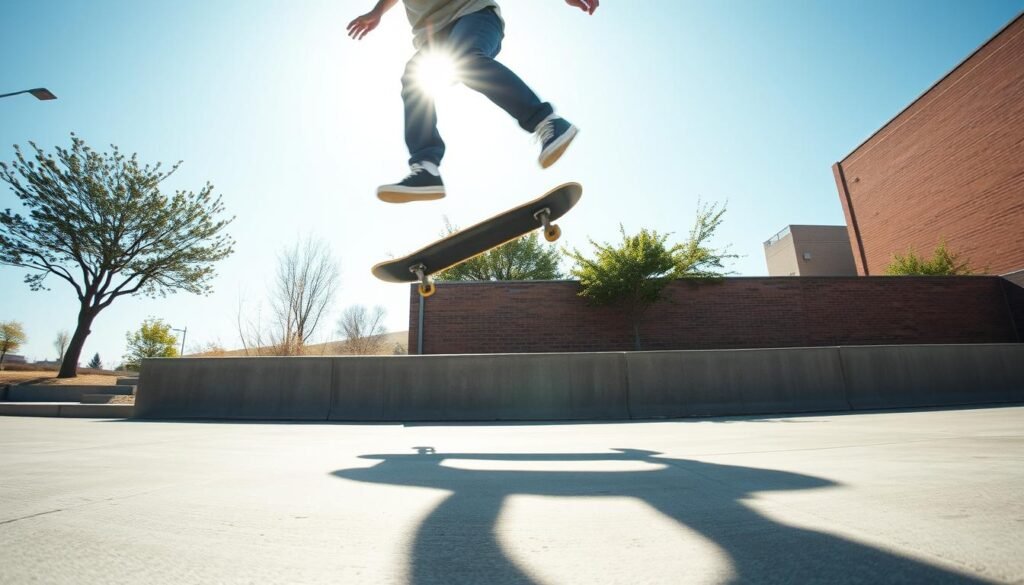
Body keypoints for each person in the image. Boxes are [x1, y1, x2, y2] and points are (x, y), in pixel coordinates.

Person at [348, 0, 599, 203]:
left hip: (474, 15)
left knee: (465, 59)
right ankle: (426, 168)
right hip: (435, 38)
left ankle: (548, 121)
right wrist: (377, 11)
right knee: (414, 78)